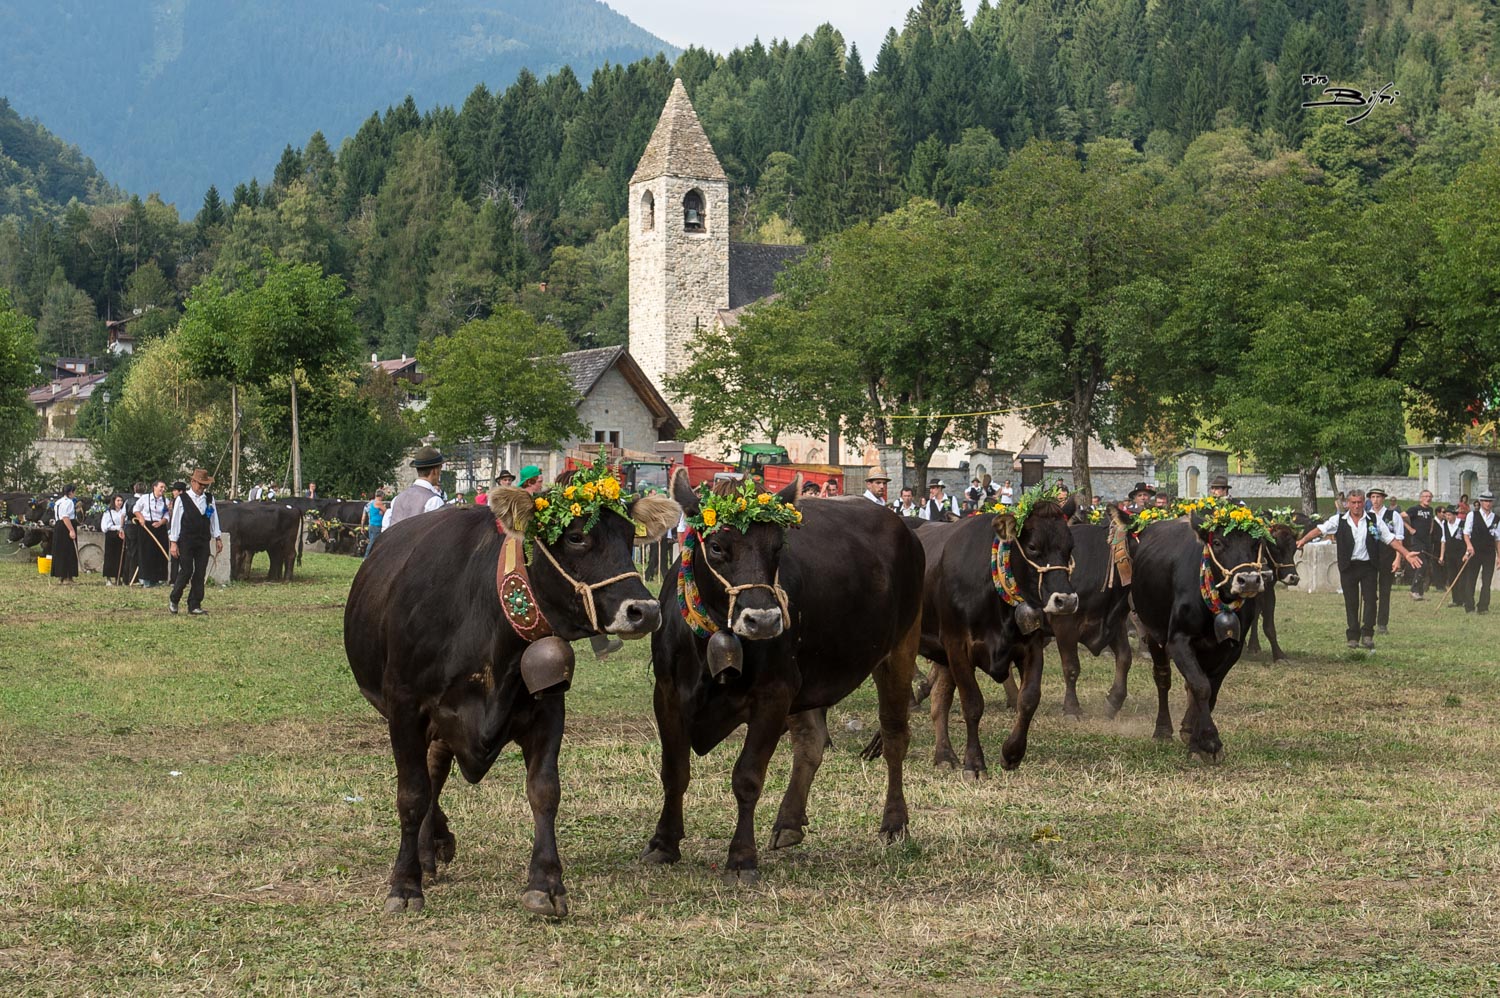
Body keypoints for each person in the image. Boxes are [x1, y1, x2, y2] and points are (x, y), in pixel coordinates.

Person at [1296, 487, 1422, 650]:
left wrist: (1406, 554)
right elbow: (1320, 529)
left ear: (1364, 503)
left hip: (1368, 565)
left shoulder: (1374, 520)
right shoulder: (1339, 520)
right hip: (1348, 566)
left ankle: (1368, 633)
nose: (1356, 506)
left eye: (1360, 502)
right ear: (1348, 504)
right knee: (1351, 601)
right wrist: (1303, 540)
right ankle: (1353, 636)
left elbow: (1390, 539)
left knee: (1370, 600)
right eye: (1353, 502)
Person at [168, 468, 224, 616]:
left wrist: (217, 537)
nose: (202, 487)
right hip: (186, 540)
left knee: (200, 572)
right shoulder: (182, 499)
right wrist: (173, 542)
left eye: (204, 485)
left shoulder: (209, 499)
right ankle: (174, 598)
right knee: (186, 570)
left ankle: (194, 604)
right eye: (200, 484)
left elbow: (214, 519)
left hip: (203, 540)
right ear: (192, 482)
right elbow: (175, 522)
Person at [384, 447, 447, 531]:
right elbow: (438, 533)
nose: (440, 473)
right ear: (434, 471)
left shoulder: (397, 498)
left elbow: (386, 527)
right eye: (440, 469)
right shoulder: (434, 501)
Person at [1367, 487, 1403, 633]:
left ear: (1383, 499)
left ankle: (1382, 623)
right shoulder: (1366, 516)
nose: (1375, 500)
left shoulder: (1393, 515)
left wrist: (1398, 558)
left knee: (1385, 590)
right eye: (1373, 497)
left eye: (1378, 497)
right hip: (1370, 557)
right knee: (1369, 591)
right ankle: (1368, 621)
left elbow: (1399, 538)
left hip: (1388, 556)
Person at [1458, 491, 1500, 614]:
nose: (1488, 503)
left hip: (1489, 552)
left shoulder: (1496, 518)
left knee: (1487, 580)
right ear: (1481, 502)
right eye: (1485, 501)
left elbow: (1497, 539)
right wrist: (1469, 546)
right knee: (1471, 579)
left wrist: (1499, 556)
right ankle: (1469, 606)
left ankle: (1483, 606)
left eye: (1490, 501)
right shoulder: (1472, 515)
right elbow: (1466, 533)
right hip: (1475, 551)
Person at [132, 480, 171, 588]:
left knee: (159, 553)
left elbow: (167, 515)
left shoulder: (165, 500)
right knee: (146, 553)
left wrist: (161, 522)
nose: (163, 489)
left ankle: (158, 579)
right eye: (161, 487)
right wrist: (141, 518)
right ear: (154, 487)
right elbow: (136, 509)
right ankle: (146, 579)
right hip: (146, 527)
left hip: (160, 527)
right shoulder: (144, 498)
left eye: (164, 488)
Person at [1402, 490, 1439, 601]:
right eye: (1425, 496)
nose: (1428, 498)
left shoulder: (1430, 510)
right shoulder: (1415, 509)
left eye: (1430, 496)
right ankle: (1414, 590)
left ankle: (1420, 592)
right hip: (1417, 541)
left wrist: (1430, 529)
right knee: (1421, 564)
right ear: (1421, 498)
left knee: (1426, 566)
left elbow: (1431, 520)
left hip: (1427, 541)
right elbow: (1400, 516)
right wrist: (1409, 529)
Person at [50, 484, 79, 584]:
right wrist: (71, 530)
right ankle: (67, 576)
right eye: (74, 491)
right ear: (71, 492)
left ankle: (61, 576)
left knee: (60, 551)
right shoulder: (69, 502)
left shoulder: (58, 502)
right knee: (68, 551)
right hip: (66, 526)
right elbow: (65, 517)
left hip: (58, 526)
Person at [100, 493, 129, 585]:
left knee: (120, 556)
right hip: (111, 536)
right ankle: (108, 578)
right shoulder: (108, 513)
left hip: (121, 535)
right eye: (118, 500)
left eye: (121, 501)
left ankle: (118, 577)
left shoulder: (123, 513)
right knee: (110, 557)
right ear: (114, 501)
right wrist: (117, 527)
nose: (120, 502)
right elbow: (105, 526)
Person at [167, 480, 187, 586]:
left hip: (182, 532)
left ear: (181, 491)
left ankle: (181, 579)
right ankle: (173, 579)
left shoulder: (183, 501)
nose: (173, 492)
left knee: (183, 557)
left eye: (175, 490)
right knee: (174, 556)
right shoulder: (173, 502)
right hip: (174, 531)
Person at [361, 490, 386, 556]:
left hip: (371, 524)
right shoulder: (378, 503)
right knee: (373, 542)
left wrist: (362, 527)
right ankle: (366, 557)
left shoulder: (367, 505)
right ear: (381, 496)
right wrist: (382, 512)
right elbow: (386, 511)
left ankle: (371, 556)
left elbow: (363, 518)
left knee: (371, 541)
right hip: (376, 525)